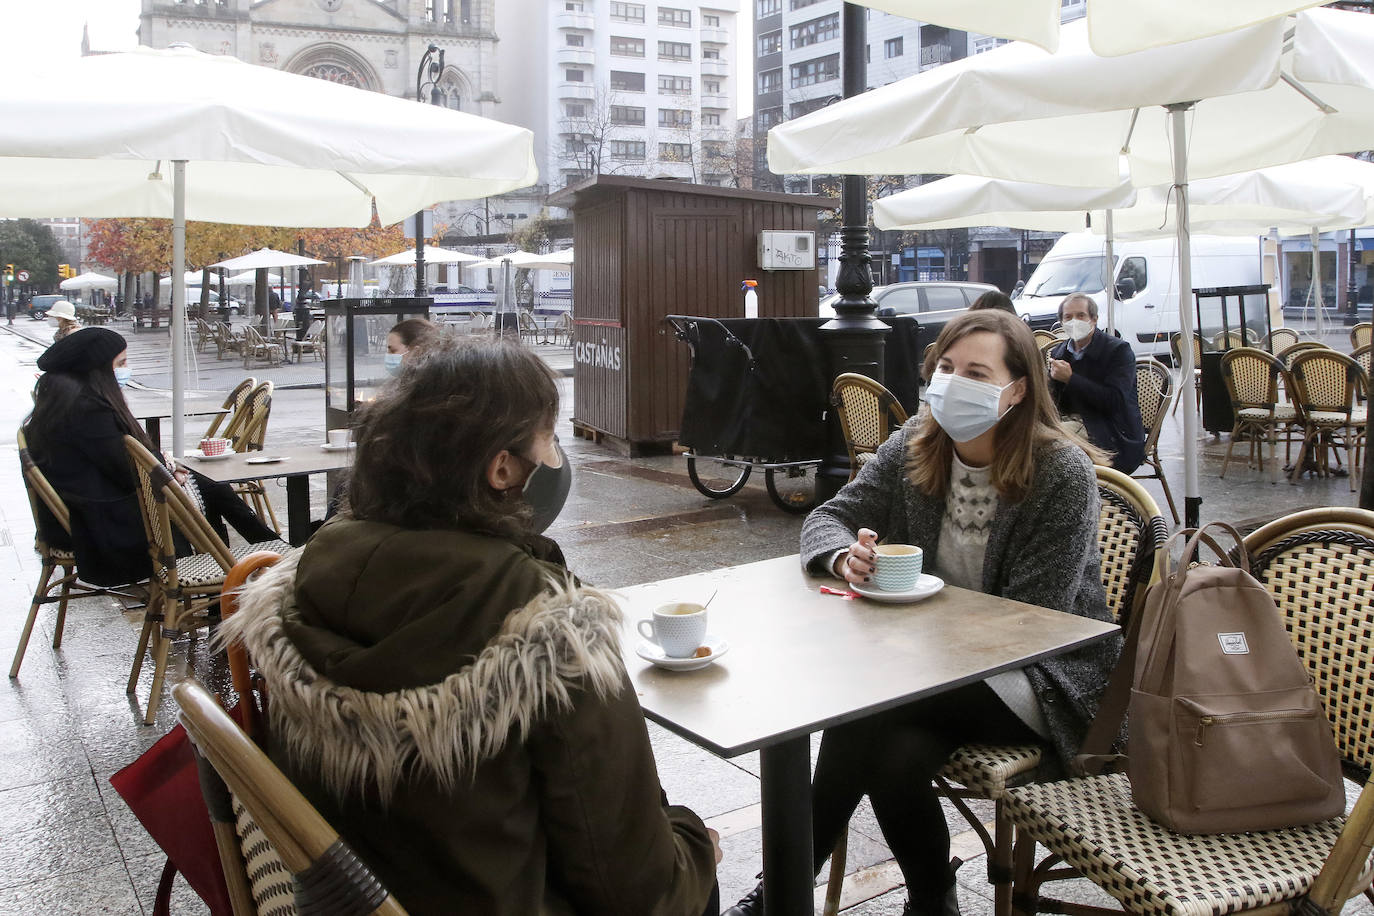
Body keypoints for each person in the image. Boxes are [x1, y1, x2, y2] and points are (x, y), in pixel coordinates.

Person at [220, 336, 721, 916]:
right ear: (502, 467)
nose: (557, 455)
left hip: (362, 892)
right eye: (548, 437)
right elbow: (632, 887)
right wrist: (693, 842)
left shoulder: (317, 564)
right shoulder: (544, 621)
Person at [725, 310, 1119, 916]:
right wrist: (842, 559)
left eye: (977, 372)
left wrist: (910, 641)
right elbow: (828, 517)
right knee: (893, 749)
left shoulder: (1059, 473)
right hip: (928, 668)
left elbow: (1031, 621)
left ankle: (781, 890)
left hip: (1040, 672)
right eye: (947, 368)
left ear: (1016, 390)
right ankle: (931, 897)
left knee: (863, 709)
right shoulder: (917, 439)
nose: (953, 383)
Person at [23, 328, 280, 587]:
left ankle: (246, 567)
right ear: (97, 369)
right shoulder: (88, 412)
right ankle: (268, 557)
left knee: (205, 486)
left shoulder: (63, 405)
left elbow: (123, 464)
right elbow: (130, 471)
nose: (126, 369)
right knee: (206, 488)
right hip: (99, 527)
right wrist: (165, 469)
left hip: (83, 517)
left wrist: (166, 468)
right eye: (121, 363)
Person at [1047, 292, 1145, 474]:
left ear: (1094, 319)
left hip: (1113, 433)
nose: (1074, 321)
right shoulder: (1060, 353)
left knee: (1047, 445)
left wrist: (1071, 379)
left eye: (1081, 315)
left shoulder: (1118, 351)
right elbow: (1055, 403)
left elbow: (1114, 401)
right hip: (1074, 423)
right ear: (1061, 322)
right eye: (1068, 317)